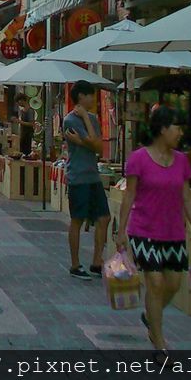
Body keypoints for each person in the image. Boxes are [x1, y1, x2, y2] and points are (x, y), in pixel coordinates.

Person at [117, 106, 191, 354]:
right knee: (155, 283)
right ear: (162, 129)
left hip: (173, 232)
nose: (180, 132)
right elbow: (129, 196)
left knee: (173, 284)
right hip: (144, 230)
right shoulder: (138, 158)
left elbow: (187, 197)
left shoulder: (182, 161)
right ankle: (159, 342)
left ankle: (150, 316)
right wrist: (121, 231)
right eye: (177, 127)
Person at [63, 80, 110, 281]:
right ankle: (75, 264)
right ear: (81, 96)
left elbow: (98, 147)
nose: (93, 99)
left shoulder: (91, 118)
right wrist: (87, 140)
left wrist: (86, 121)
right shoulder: (70, 120)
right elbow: (93, 142)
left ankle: (97, 261)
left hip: (93, 175)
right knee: (77, 220)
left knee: (104, 217)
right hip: (78, 176)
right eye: (91, 95)